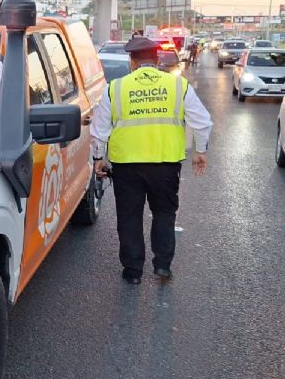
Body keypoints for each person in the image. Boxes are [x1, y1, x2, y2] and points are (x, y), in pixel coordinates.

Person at [90, 36, 214, 284]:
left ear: (132, 62)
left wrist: (98, 158)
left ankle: (133, 271)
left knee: (129, 217)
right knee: (164, 214)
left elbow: (100, 130)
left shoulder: (115, 88)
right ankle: (162, 267)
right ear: (157, 60)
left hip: (127, 166)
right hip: (165, 165)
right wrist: (200, 151)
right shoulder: (178, 85)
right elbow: (202, 122)